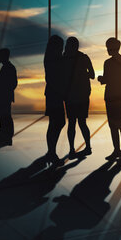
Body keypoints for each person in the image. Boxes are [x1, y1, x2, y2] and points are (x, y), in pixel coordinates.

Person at [98, 38, 121, 165]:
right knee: (120, 123)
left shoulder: (108, 63)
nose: (107, 50)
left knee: (115, 124)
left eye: (108, 47)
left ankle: (119, 151)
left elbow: (107, 79)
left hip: (112, 96)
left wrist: (103, 79)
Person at [62, 37, 94, 158]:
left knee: (71, 123)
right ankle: (88, 147)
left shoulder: (64, 59)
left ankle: (71, 149)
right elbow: (92, 75)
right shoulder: (84, 58)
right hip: (83, 95)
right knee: (82, 122)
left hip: (70, 96)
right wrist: (82, 74)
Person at [44, 35, 66, 165]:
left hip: (54, 93)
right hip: (54, 94)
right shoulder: (53, 59)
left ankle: (51, 151)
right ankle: (51, 152)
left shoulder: (51, 58)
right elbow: (52, 78)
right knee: (57, 122)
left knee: (55, 122)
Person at [0, 48, 17, 146]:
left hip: (4, 97)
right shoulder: (8, 67)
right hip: (4, 96)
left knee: (5, 116)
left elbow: (13, 83)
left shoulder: (9, 68)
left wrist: (4, 92)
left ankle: (6, 137)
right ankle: (4, 136)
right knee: (3, 116)